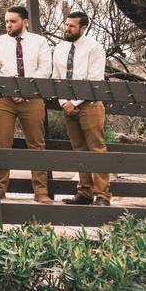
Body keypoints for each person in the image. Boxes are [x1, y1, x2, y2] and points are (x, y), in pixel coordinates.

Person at [0, 5, 53, 203]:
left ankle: (41, 192)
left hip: (32, 99)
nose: (8, 25)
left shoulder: (40, 42)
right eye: (6, 21)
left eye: (13, 21)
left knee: (37, 144)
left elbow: (45, 69)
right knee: (1, 144)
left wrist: (25, 90)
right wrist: (12, 89)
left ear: (25, 21)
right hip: (3, 100)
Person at [53, 12, 111, 206]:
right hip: (68, 105)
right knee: (79, 149)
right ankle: (84, 193)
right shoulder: (60, 48)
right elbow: (56, 78)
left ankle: (102, 195)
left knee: (97, 148)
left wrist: (74, 103)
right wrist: (63, 103)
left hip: (90, 104)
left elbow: (94, 79)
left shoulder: (94, 48)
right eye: (66, 24)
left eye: (71, 26)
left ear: (83, 28)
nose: (66, 28)